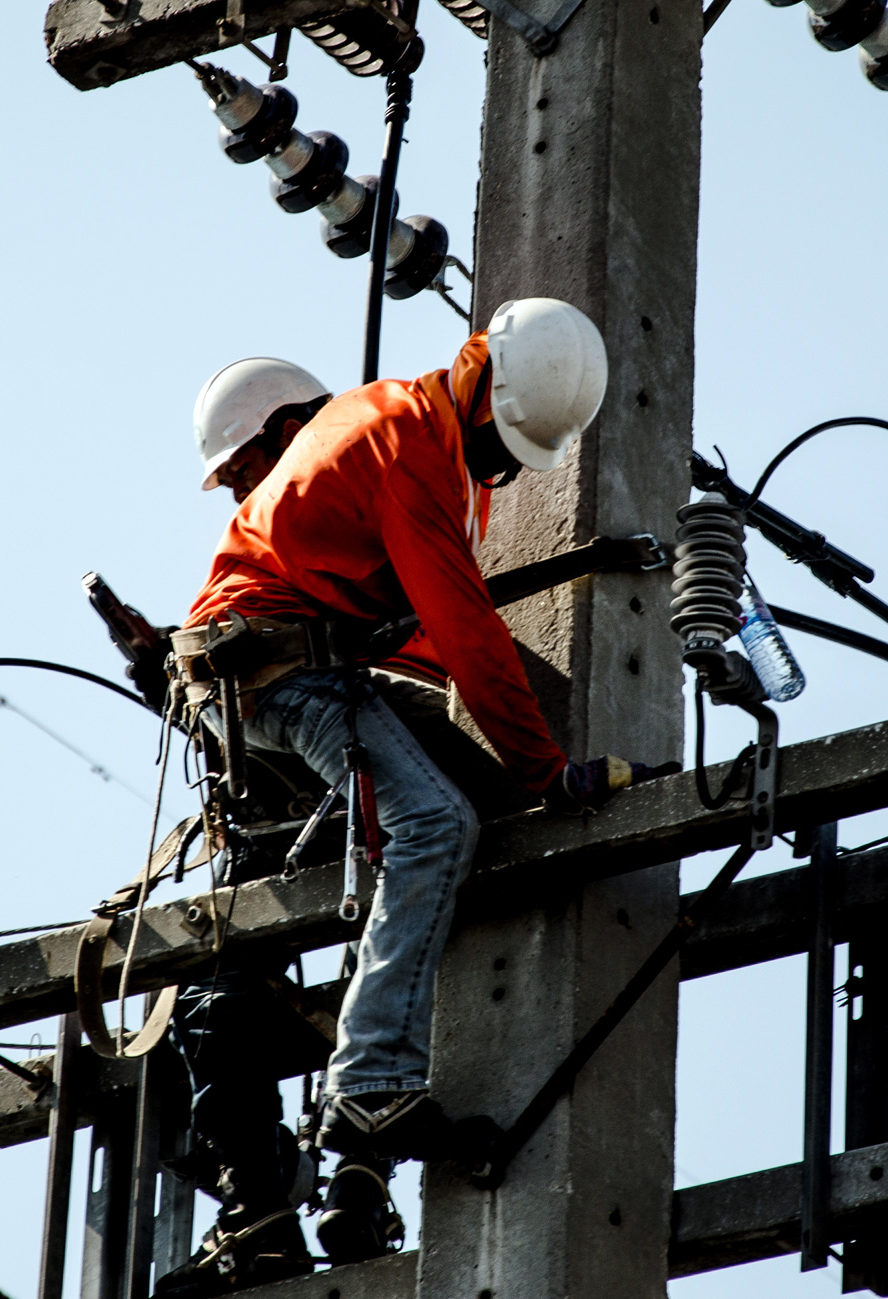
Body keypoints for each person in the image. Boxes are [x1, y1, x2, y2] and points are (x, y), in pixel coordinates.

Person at [159, 299, 675, 1294]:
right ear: (481, 391)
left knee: (443, 819)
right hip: (270, 669)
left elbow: (433, 639)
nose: (504, 467)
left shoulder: (413, 434)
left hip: (290, 665)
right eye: (501, 443)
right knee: (436, 823)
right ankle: (370, 1092)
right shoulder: (409, 445)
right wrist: (545, 769)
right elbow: (467, 631)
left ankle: (355, 1129)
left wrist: (525, 765)